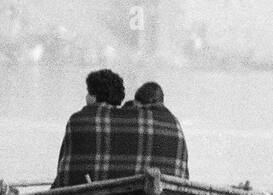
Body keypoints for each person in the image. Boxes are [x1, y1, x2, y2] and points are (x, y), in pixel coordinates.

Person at [53, 71, 189, 188]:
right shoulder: (170, 122)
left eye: (88, 93)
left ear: (93, 97)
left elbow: (63, 178)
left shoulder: (79, 121)